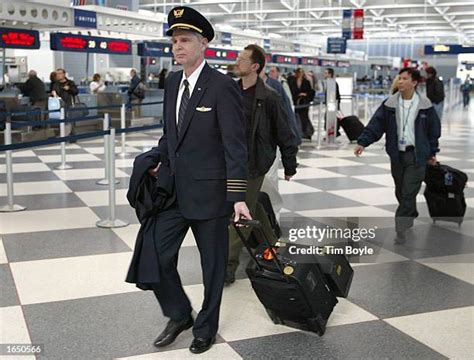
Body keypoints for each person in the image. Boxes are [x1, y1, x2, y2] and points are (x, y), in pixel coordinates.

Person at [125, 6, 250, 355]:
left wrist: (237, 196)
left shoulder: (222, 87)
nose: (177, 47)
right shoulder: (171, 82)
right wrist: (158, 160)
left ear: (203, 43)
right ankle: (180, 313)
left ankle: (205, 328)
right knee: (154, 255)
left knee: (212, 268)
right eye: (174, 41)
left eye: (185, 40)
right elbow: (171, 134)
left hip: (211, 195)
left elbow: (235, 146)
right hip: (173, 191)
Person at [225, 44, 298, 284]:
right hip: (230, 161)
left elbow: (284, 132)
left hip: (254, 163)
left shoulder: (269, 97)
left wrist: (290, 164)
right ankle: (273, 245)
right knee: (252, 206)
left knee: (241, 212)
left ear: (255, 66)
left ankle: (228, 265)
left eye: (242, 59)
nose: (237, 62)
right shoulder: (230, 92)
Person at [354, 67, 441, 244]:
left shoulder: (425, 106)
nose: (400, 81)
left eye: (405, 79)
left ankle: (400, 228)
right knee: (401, 190)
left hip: (417, 155)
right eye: (399, 78)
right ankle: (410, 211)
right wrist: (363, 142)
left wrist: (432, 152)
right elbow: (376, 125)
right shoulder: (390, 105)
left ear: (414, 83)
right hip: (397, 154)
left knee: (409, 191)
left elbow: (433, 132)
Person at [288, 68, 315, 140]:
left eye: (302, 72)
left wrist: (305, 94)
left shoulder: (306, 82)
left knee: (304, 118)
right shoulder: (291, 81)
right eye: (299, 72)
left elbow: (310, 91)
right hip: (295, 102)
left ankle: (306, 132)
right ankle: (297, 132)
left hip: (303, 102)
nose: (301, 73)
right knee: (296, 117)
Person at [51, 68, 79, 137]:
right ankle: (64, 134)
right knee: (63, 120)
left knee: (70, 121)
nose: (58, 75)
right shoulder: (55, 84)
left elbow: (75, 92)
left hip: (69, 104)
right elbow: (53, 92)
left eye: (60, 73)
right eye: (57, 74)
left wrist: (69, 89)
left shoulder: (70, 83)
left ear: (64, 74)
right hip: (59, 104)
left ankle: (72, 136)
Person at [323, 67, 341, 137]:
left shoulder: (332, 83)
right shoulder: (330, 82)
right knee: (327, 118)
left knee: (331, 119)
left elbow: (335, 95)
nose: (324, 74)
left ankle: (333, 133)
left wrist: (336, 105)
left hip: (332, 105)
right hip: (331, 104)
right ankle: (330, 133)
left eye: (326, 73)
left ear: (330, 74)